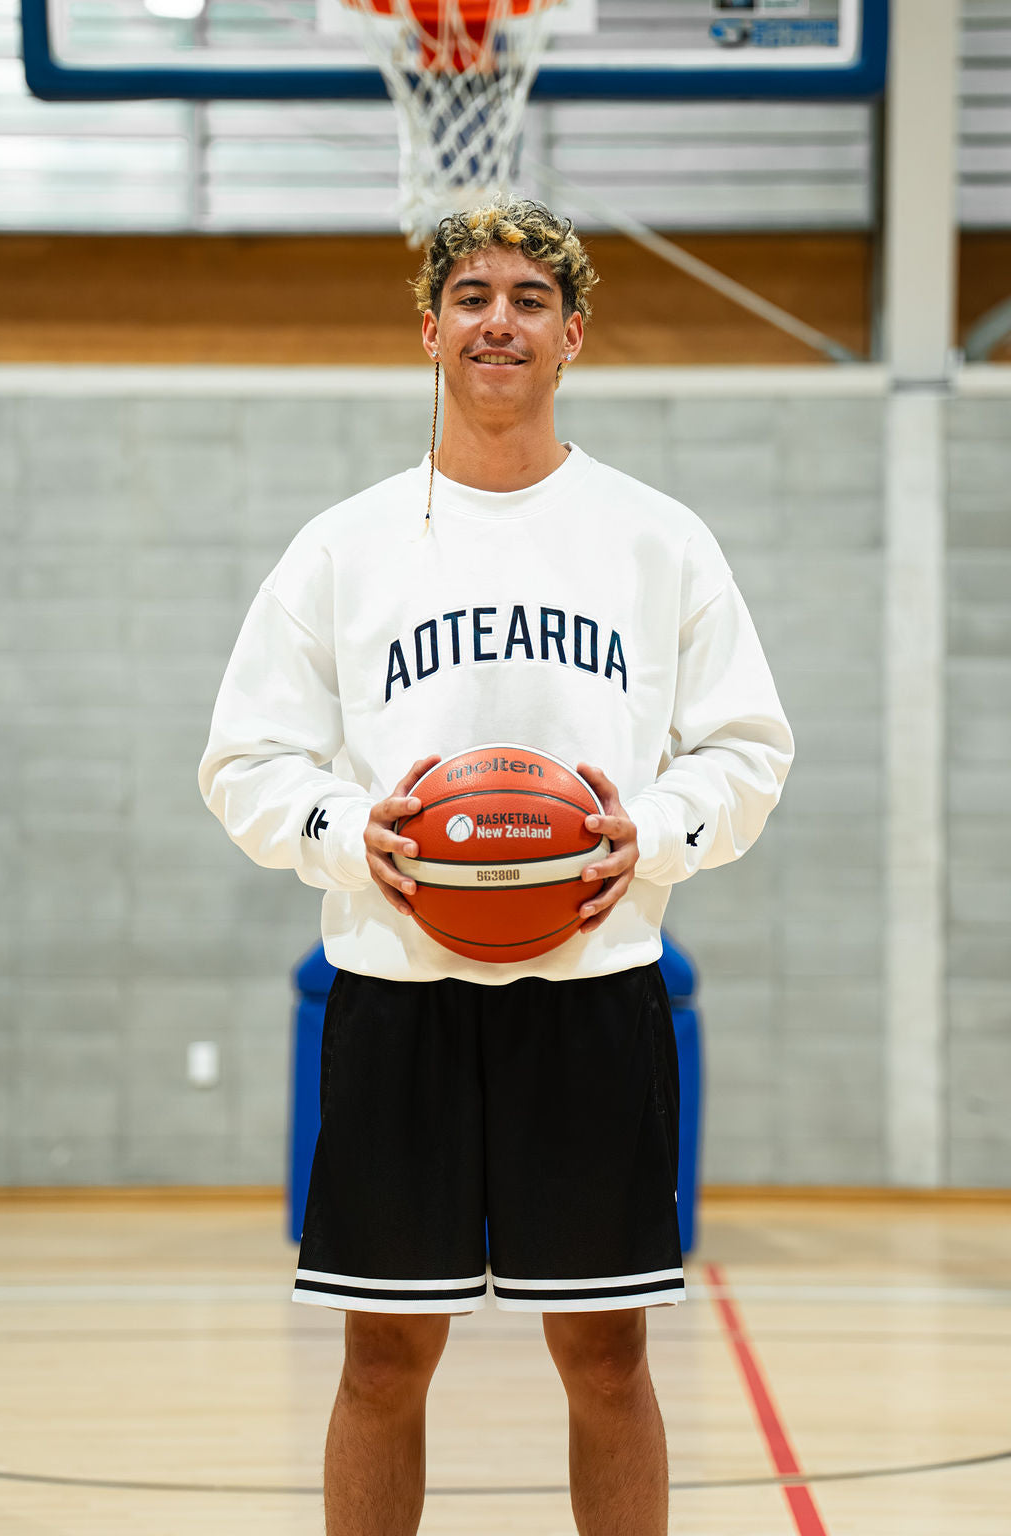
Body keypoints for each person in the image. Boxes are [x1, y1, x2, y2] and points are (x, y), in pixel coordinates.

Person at [199, 199, 794, 1536]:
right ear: (429, 330)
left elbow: (749, 748)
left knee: (607, 1358)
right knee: (383, 1357)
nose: (498, 321)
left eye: (530, 298)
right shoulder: (345, 546)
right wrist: (357, 837)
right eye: (471, 296)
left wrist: (662, 827)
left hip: (595, 986)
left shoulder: (658, 537)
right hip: (396, 986)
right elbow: (244, 760)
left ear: (573, 334)